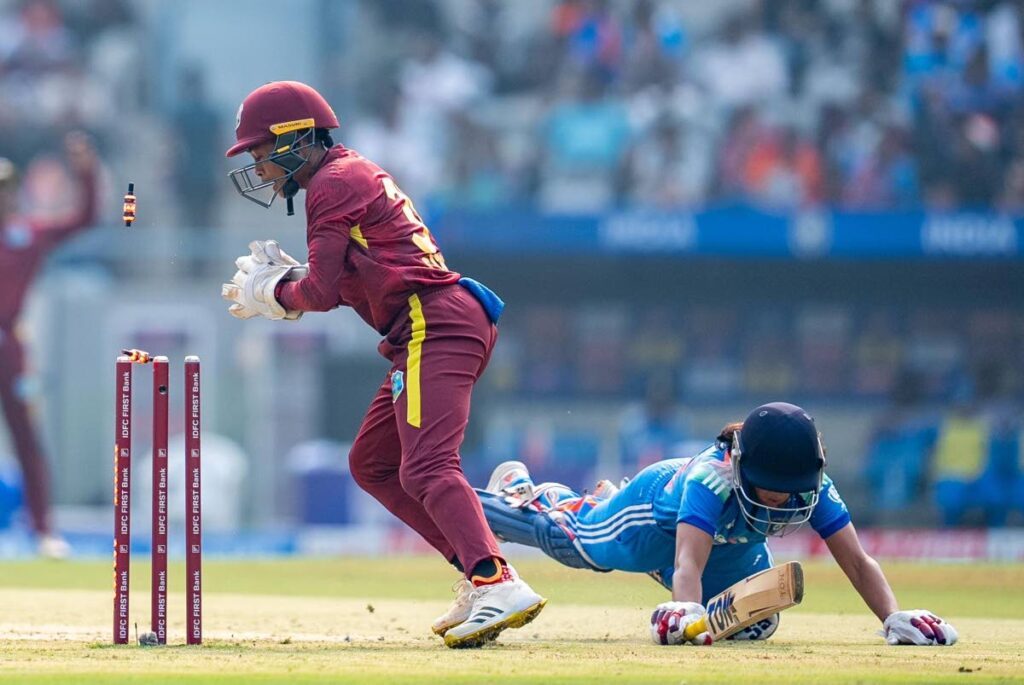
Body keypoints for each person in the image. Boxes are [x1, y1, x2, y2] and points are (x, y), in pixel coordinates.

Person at [220, 81, 545, 648]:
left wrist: (276, 295)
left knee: (426, 467)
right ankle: (479, 572)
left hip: (432, 322)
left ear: (294, 139)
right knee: (372, 464)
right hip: (428, 324)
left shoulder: (332, 182)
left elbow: (320, 293)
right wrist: (289, 281)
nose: (259, 167)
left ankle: (496, 579)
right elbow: (348, 282)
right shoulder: (345, 174)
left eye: (260, 152)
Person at [479, 401, 959, 647]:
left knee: (756, 621)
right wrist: (684, 611)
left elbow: (856, 559)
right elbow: (687, 560)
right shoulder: (714, 477)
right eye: (771, 490)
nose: (783, 503)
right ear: (744, 466)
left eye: (791, 491)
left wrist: (894, 618)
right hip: (653, 519)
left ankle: (599, 501)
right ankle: (521, 495)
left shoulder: (810, 482)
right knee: (572, 546)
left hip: (726, 544)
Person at [0, 134, 99, 558]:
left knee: (27, 437)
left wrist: (86, 171)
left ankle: (43, 529)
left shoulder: (27, 231)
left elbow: (84, 219)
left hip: (9, 344)